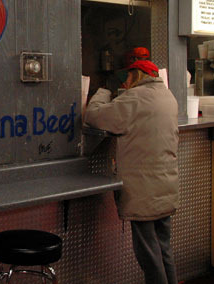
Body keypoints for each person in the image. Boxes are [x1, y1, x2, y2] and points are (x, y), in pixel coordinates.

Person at [84, 60, 179, 284]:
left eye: (127, 77)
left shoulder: (134, 99)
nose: (125, 82)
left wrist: (103, 91)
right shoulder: (168, 97)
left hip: (143, 191)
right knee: (164, 249)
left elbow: (94, 116)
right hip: (165, 187)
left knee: (149, 255)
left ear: (138, 75)